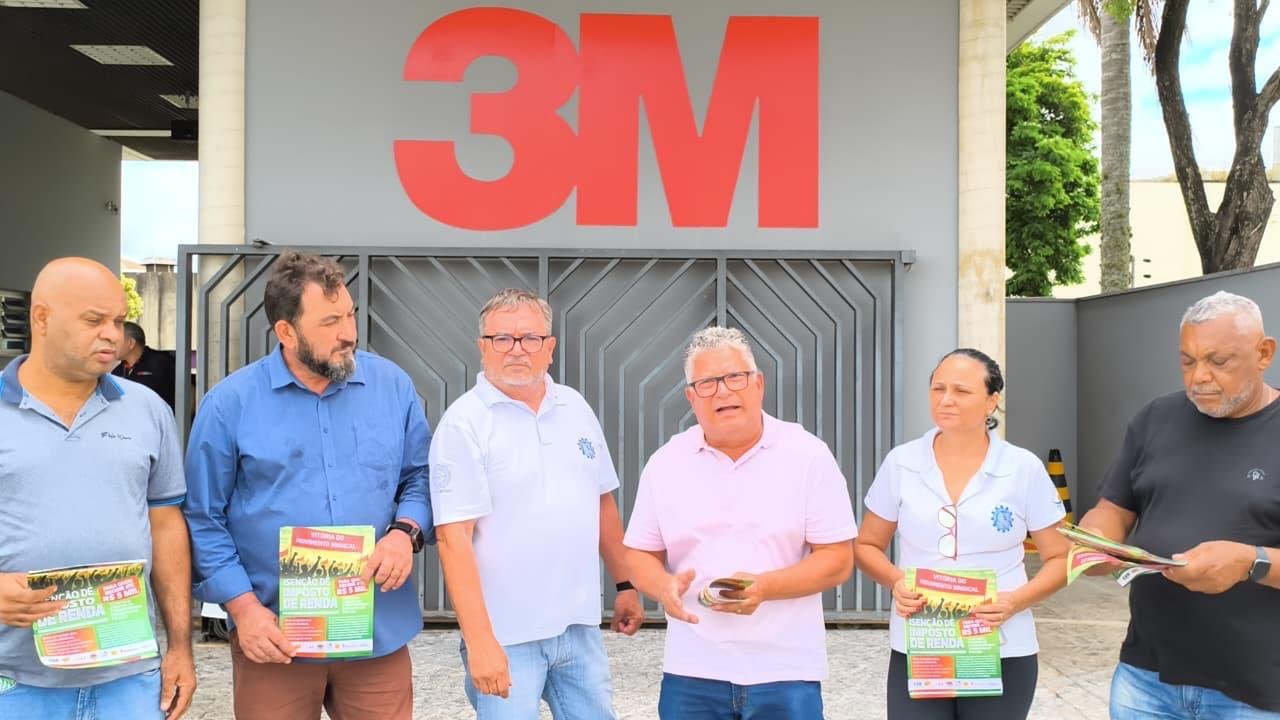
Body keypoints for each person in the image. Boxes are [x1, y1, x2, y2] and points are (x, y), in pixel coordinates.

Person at [183, 252, 432, 720]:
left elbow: (420, 477)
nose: (349, 334)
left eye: (351, 315)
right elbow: (202, 516)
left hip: (377, 632)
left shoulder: (392, 386)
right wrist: (242, 609)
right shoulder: (229, 405)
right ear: (286, 332)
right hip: (275, 637)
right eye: (331, 321)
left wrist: (406, 532)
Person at [429, 288, 643, 719]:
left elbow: (601, 501)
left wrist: (626, 584)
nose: (515, 350)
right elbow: (454, 541)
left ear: (550, 347)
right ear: (482, 348)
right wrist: (480, 642)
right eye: (501, 339)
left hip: (578, 629)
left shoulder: (576, 408)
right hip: (506, 637)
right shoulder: (464, 424)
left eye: (529, 338)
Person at [624, 326, 858, 719]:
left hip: (786, 672)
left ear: (758, 384)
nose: (723, 391)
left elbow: (837, 559)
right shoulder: (666, 463)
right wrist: (662, 586)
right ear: (690, 397)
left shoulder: (808, 456)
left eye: (735, 377)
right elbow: (638, 555)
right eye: (707, 383)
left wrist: (765, 587)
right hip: (692, 670)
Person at [0, 258, 194, 719]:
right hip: (14, 680)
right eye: (94, 320)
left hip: (128, 678)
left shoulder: (148, 410)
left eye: (118, 321)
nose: (113, 334)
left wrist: (181, 647)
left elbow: (165, 526)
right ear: (42, 318)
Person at [1077, 291, 1280, 719]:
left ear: (1264, 353)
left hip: (1257, 690)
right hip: (1146, 678)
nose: (1198, 378)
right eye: (1187, 361)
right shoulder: (1156, 417)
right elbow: (1114, 508)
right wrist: (1097, 539)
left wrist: (1250, 562)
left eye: (1217, 361)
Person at [853, 348, 1069, 720]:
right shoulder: (902, 462)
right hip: (922, 644)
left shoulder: (1022, 468)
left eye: (962, 391)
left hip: (1002, 646)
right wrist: (895, 580)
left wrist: (1015, 601)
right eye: (938, 389)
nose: (946, 400)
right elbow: (867, 545)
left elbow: (1061, 558)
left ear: (992, 401)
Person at [112, 321, 177, 411]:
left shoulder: (162, 362)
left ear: (131, 343)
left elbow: (188, 389)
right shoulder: (116, 372)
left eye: (115, 342)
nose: (111, 346)